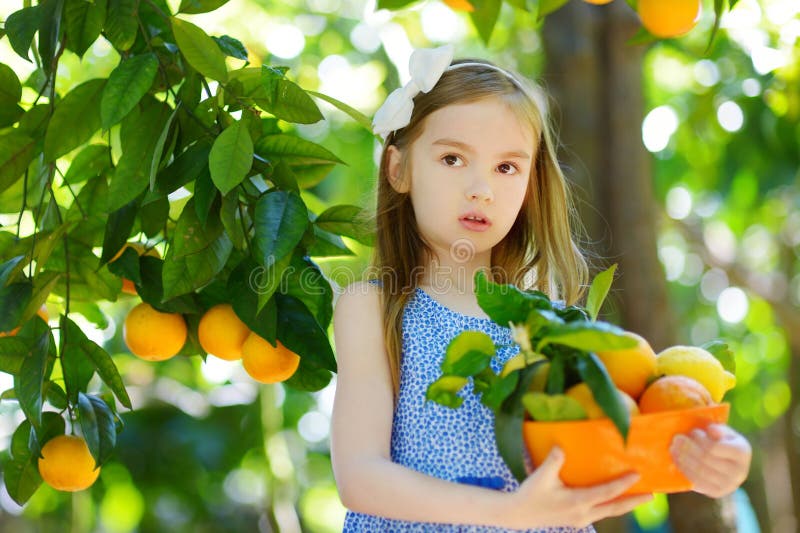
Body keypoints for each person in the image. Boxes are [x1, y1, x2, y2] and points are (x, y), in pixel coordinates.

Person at [330, 45, 752, 531]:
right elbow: (360, 477)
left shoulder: (547, 321)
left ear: (530, 185)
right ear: (398, 169)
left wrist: (716, 459)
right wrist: (509, 513)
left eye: (506, 167)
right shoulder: (375, 306)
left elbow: (627, 427)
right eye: (452, 158)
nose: (481, 188)